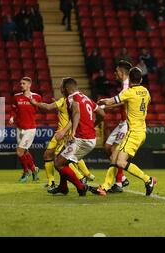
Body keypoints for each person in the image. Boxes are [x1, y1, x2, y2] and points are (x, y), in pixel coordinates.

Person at [91, 68, 156, 196]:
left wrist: (101, 102)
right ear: (141, 79)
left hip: (133, 133)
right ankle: (104, 187)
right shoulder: (145, 91)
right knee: (115, 156)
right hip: (142, 131)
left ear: (130, 79)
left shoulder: (129, 92)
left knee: (120, 161)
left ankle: (148, 180)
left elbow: (111, 101)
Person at [29, 87, 96, 191]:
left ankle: (81, 177)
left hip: (65, 134)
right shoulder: (67, 101)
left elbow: (48, 107)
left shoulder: (69, 102)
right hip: (60, 133)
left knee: (61, 160)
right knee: (49, 155)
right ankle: (53, 182)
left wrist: (35, 103)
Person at [48, 77, 105, 196]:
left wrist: (72, 132)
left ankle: (81, 187)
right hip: (88, 137)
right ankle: (63, 187)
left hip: (81, 139)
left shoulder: (71, 97)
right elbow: (102, 114)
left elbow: (76, 112)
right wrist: (93, 125)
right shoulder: (86, 98)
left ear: (67, 88)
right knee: (61, 158)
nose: (60, 89)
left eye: (62, 87)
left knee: (58, 163)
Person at [102, 60, 133, 193]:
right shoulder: (124, 84)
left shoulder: (128, 85)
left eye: (116, 71)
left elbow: (121, 102)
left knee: (115, 150)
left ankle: (118, 183)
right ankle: (123, 177)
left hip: (127, 122)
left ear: (121, 72)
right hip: (121, 122)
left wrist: (104, 106)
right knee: (107, 147)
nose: (115, 74)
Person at [9, 77, 41, 183]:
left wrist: (35, 104)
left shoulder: (36, 97)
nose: (21, 85)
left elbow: (39, 109)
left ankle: (26, 171)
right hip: (19, 128)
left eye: (23, 83)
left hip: (30, 129)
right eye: (20, 83)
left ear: (29, 85)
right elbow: (13, 109)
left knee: (19, 151)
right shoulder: (16, 97)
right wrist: (12, 117)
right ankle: (34, 169)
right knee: (25, 151)